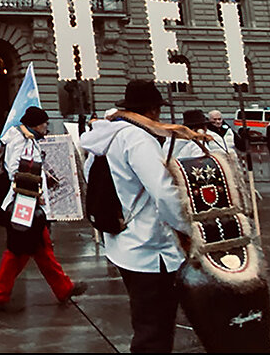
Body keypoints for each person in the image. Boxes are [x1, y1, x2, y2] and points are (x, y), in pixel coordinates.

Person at [80, 81, 190, 353]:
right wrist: (189, 228)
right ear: (152, 111)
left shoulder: (108, 136)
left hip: (123, 243)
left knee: (145, 322)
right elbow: (163, 192)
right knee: (155, 331)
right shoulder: (138, 138)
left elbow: (89, 176)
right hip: (152, 249)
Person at [0, 106, 84, 311]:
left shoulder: (26, 138)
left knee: (37, 249)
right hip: (24, 204)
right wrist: (35, 193)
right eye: (44, 123)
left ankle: (62, 287)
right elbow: (15, 169)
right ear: (35, 124)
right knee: (20, 251)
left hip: (28, 205)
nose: (46, 127)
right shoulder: (20, 140)